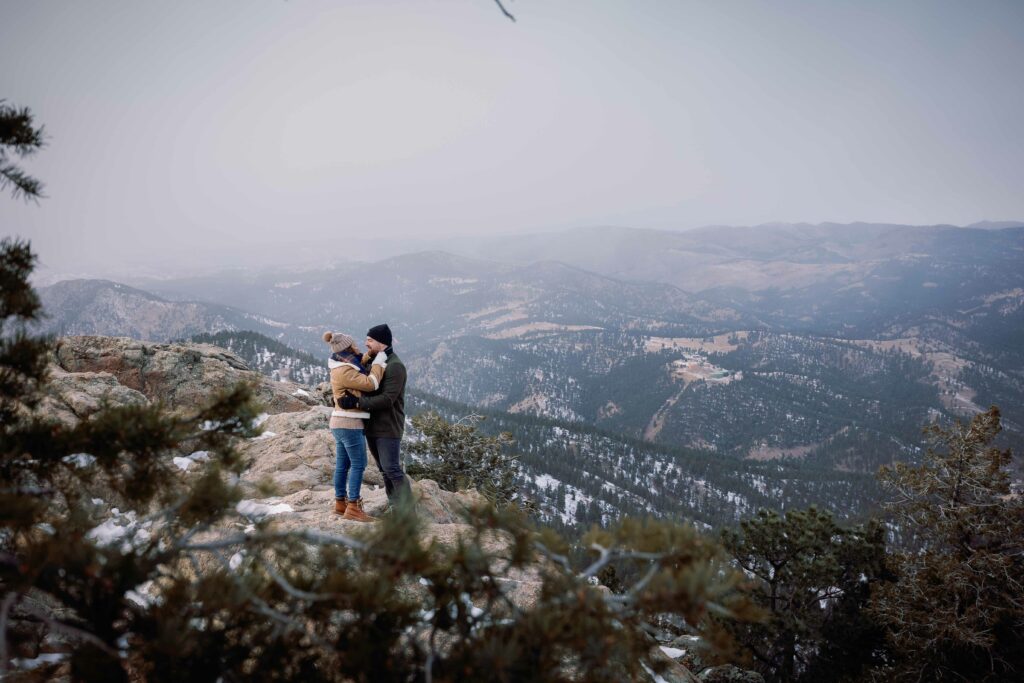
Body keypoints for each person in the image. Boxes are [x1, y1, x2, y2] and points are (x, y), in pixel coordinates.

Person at [338, 323, 411, 508]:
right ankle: (396, 509)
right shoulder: (374, 361)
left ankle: (409, 514)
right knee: (384, 471)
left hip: (388, 426)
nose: (366, 343)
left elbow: (387, 399)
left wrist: (357, 402)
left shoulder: (395, 366)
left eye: (370, 340)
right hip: (371, 426)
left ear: (381, 342)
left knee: (392, 469)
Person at [323, 331, 387, 522]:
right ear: (348, 348)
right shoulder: (345, 370)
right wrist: (379, 362)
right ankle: (353, 506)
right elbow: (371, 383)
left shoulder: (343, 364)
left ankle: (340, 503)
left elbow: (358, 362)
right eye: (354, 344)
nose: (358, 346)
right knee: (359, 464)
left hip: (340, 422)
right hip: (349, 423)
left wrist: (369, 356)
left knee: (343, 465)